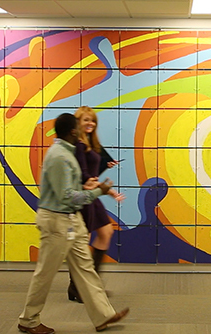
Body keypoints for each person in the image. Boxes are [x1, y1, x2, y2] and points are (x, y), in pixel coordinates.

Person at [18, 113, 129, 334]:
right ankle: (28, 320)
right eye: (78, 126)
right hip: (57, 221)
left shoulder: (68, 153)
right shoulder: (59, 156)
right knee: (45, 273)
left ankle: (103, 316)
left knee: (85, 269)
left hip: (71, 220)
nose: (82, 128)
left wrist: (92, 187)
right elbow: (66, 196)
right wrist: (99, 191)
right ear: (72, 131)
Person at [67, 106, 124, 303]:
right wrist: (106, 190)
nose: (90, 123)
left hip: (92, 196)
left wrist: (106, 189)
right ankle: (82, 287)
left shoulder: (89, 143)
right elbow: (83, 177)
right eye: (86, 120)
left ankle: (86, 285)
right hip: (83, 198)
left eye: (92, 120)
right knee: (82, 244)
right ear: (77, 123)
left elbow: (90, 176)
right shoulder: (79, 146)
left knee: (106, 232)